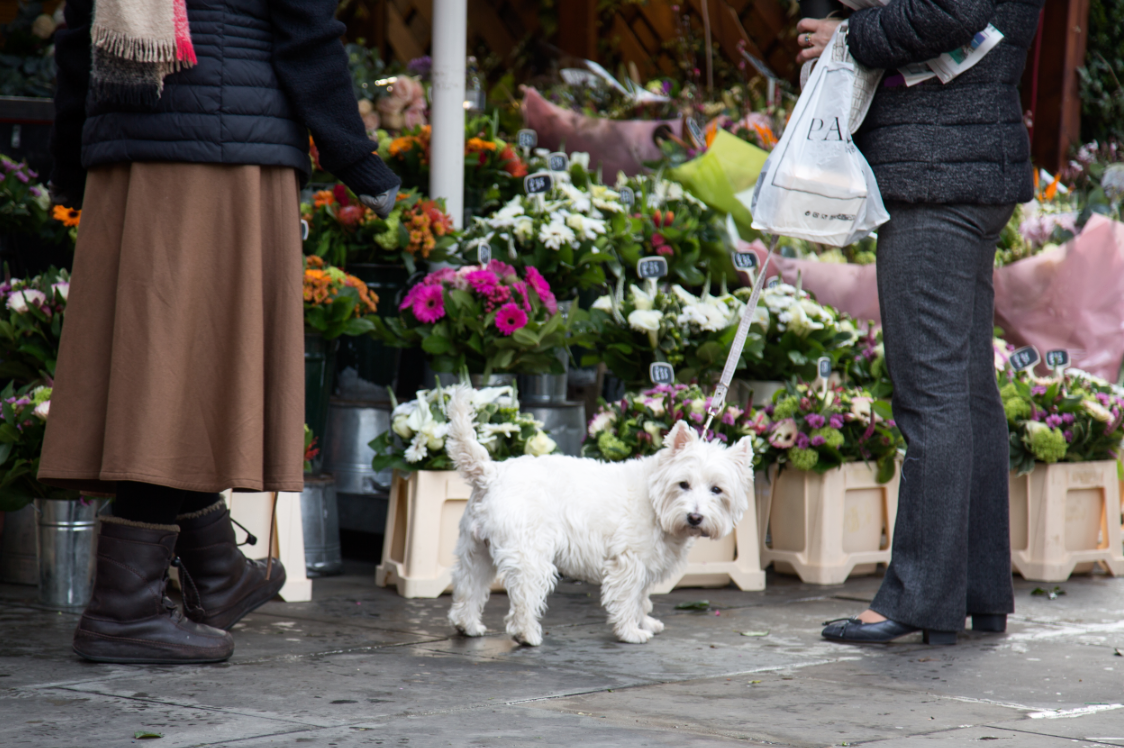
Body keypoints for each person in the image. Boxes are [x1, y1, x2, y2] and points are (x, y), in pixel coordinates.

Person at [41, 0, 399, 664]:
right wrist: (356, 156)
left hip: (129, 148)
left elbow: (78, 31)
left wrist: (70, 160)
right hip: (224, 148)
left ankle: (216, 571)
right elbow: (305, 28)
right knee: (180, 372)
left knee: (171, 367)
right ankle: (123, 611)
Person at [795, 0, 1044, 644]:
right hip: (970, 162)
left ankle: (918, 597)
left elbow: (949, 11)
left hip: (933, 170)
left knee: (931, 392)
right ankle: (976, 590)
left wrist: (848, 33)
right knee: (966, 390)